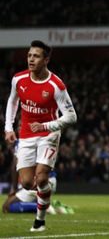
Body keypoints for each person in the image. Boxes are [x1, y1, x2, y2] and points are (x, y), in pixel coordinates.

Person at [4, 40, 77, 232]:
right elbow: (12, 102)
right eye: (29, 55)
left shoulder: (56, 85)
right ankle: (47, 198)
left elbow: (71, 116)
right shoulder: (18, 79)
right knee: (28, 183)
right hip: (26, 135)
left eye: (36, 56)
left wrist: (45, 125)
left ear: (46, 60)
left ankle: (40, 220)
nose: (31, 59)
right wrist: (9, 128)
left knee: (42, 177)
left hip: (49, 134)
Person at [2, 170, 74, 215]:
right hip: (49, 179)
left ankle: (44, 207)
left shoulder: (22, 146)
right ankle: (46, 205)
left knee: (6, 206)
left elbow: (16, 166)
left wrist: (15, 188)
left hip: (39, 181)